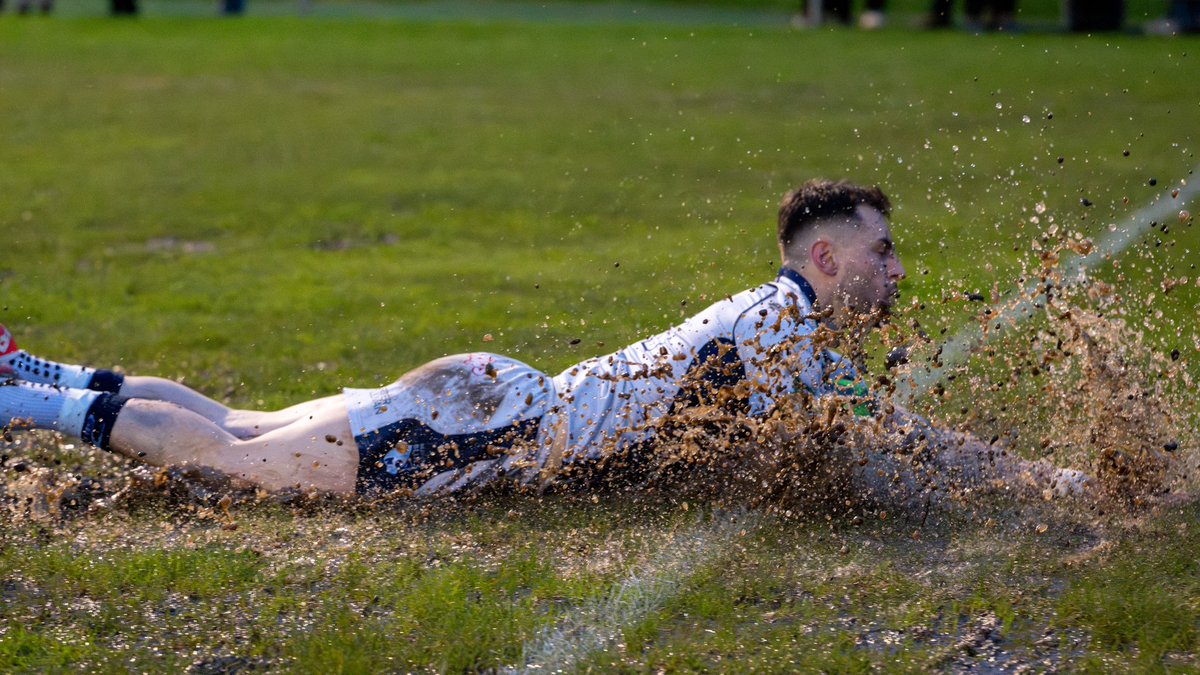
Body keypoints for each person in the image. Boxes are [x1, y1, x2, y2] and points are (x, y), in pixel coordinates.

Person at [1, 180, 1088, 501]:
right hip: (493, 430)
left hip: (491, 404)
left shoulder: (786, 326)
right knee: (234, 464)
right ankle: (25, 402)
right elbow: (889, 439)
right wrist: (1047, 482)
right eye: (883, 251)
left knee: (240, 428)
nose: (899, 272)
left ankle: (31, 377)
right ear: (826, 260)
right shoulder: (781, 329)